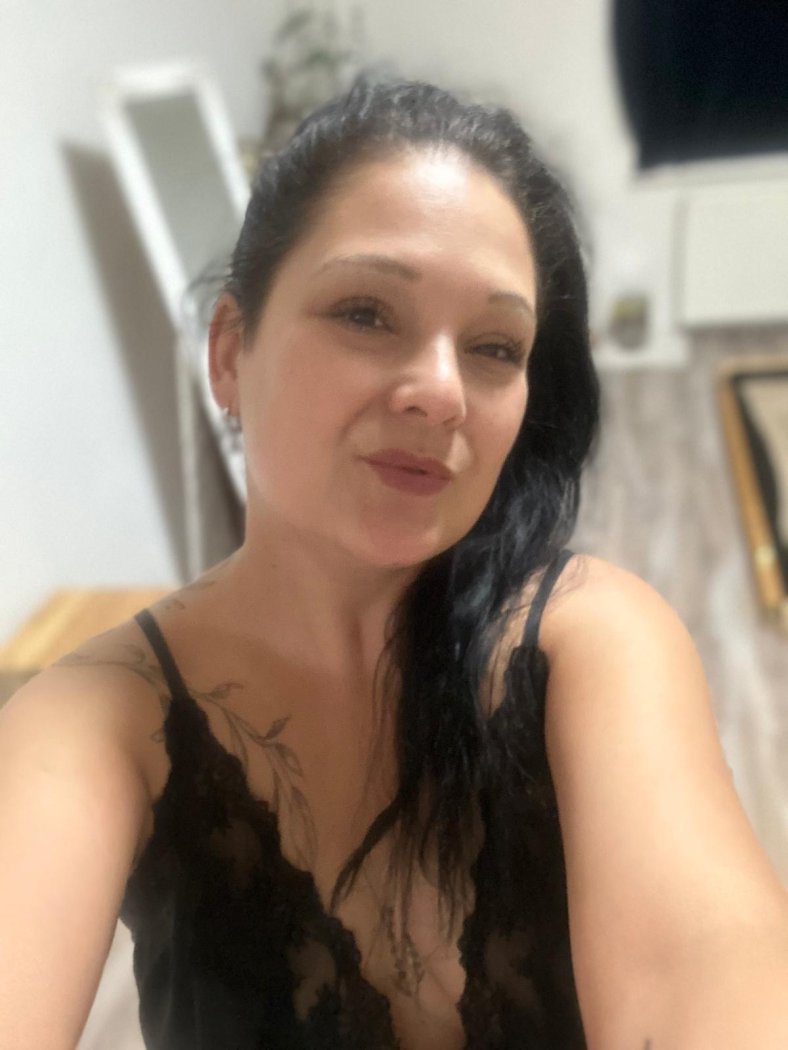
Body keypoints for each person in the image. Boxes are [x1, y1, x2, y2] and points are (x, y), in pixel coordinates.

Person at [1, 74, 787, 1050]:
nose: (440, 391)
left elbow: (703, 962)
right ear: (230, 353)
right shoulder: (95, 721)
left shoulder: (591, 639)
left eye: (494, 346)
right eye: (366, 313)